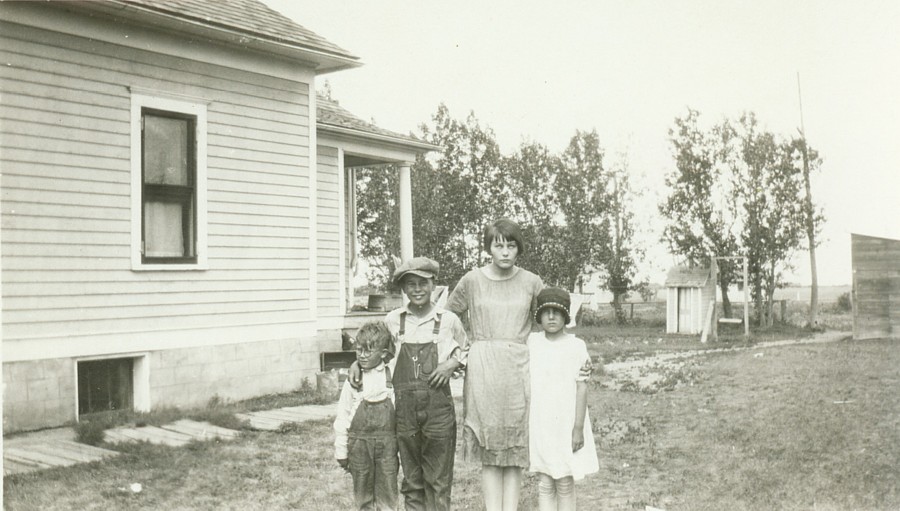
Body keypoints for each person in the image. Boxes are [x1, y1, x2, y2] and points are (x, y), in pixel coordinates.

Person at [446, 218, 544, 511]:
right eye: (498, 245)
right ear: (488, 247)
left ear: (518, 249)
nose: (504, 252)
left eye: (510, 245)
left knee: (514, 445)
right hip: (483, 367)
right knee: (489, 447)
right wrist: (461, 353)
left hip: (517, 367)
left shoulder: (531, 281)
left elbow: (556, 315)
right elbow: (447, 319)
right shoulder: (472, 280)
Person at [384, 256, 468, 511]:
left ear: (433, 285)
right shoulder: (393, 320)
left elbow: (467, 349)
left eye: (423, 283)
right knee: (412, 480)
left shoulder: (449, 320)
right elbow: (378, 353)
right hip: (406, 412)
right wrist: (356, 364)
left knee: (438, 481)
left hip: (438, 411)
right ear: (404, 288)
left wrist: (451, 363)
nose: (417, 289)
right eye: (411, 284)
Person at [528, 287, 599, 511]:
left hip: (567, 422)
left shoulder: (576, 346)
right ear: (539, 315)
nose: (551, 317)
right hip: (541, 422)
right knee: (545, 480)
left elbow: (581, 388)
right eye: (546, 311)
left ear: (566, 316)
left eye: (557, 312)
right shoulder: (532, 343)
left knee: (565, 480)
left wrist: (577, 428)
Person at [334, 321, 399, 511]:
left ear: (384, 354)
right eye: (359, 350)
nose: (362, 356)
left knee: (388, 495)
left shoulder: (392, 374)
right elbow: (343, 416)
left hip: (387, 447)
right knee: (363, 497)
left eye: (368, 351)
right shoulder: (354, 380)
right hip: (359, 447)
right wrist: (341, 450)